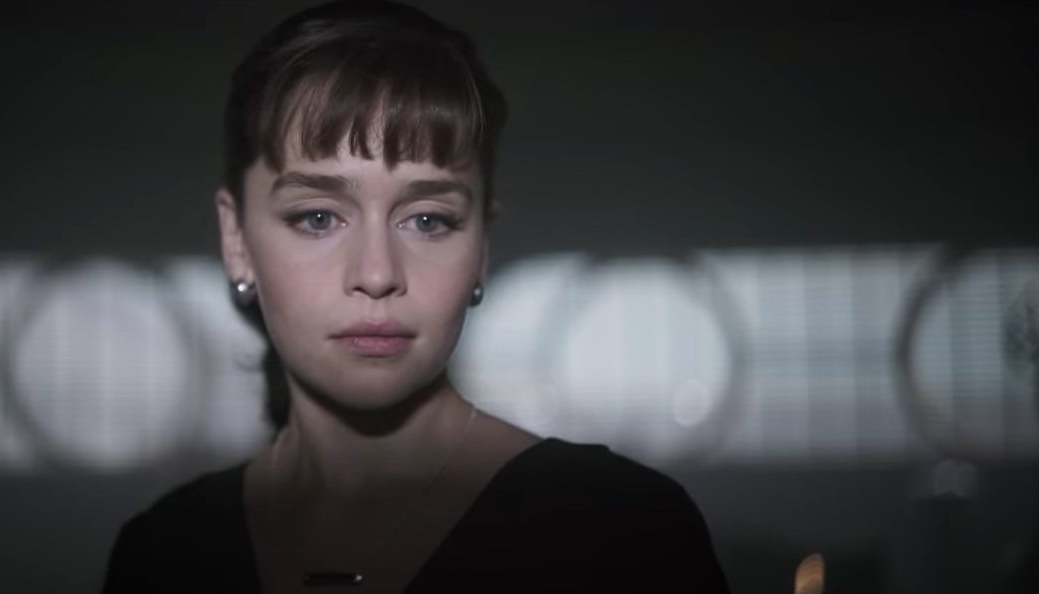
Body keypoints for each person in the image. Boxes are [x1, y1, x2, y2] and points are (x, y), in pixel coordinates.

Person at [102, 1, 729, 592]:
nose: (377, 274)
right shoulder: (162, 554)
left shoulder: (624, 532)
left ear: (481, 247)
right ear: (236, 239)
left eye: (428, 220)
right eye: (318, 218)